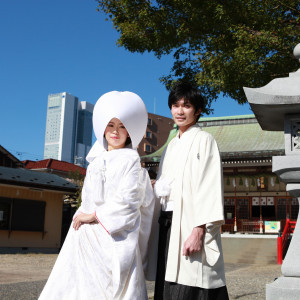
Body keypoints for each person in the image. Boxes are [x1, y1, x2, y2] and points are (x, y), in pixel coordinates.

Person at [39, 91, 154, 300]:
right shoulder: (94, 163)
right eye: (111, 125)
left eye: (122, 126)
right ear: (103, 128)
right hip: (86, 238)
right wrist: (82, 215)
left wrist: (93, 216)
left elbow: (128, 201)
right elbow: (88, 199)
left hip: (114, 236)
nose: (116, 131)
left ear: (130, 132)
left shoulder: (131, 161)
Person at [153, 82, 229, 299]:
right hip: (166, 222)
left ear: (198, 110)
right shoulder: (170, 146)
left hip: (190, 222)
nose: (179, 111)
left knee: (192, 280)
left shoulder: (204, 140)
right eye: (175, 105)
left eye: (186, 106)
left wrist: (198, 230)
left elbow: (209, 186)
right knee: (167, 281)